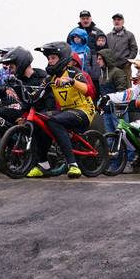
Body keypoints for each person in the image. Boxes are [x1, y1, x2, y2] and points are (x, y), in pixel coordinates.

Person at [32, 42, 96, 179]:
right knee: (38, 120)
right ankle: (43, 164)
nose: (50, 61)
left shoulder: (74, 73)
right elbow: (37, 95)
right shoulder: (50, 78)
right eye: (48, 58)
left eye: (53, 58)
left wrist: (71, 82)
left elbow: (89, 91)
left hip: (84, 110)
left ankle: (73, 165)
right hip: (66, 112)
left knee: (54, 121)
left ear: (62, 58)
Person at [95, 48, 134, 170]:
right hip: (106, 111)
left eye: (100, 59)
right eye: (97, 59)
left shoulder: (118, 72)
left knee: (124, 136)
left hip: (118, 110)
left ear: (107, 59)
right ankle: (114, 164)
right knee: (110, 138)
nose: (97, 61)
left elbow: (123, 91)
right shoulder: (101, 75)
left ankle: (129, 162)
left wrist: (112, 102)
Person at [106, 13, 138, 77]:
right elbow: (105, 50)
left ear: (123, 22)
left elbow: (134, 49)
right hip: (112, 67)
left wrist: (128, 62)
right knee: (112, 86)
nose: (116, 21)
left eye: (119, 20)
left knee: (126, 86)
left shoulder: (129, 35)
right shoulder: (108, 36)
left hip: (125, 68)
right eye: (114, 20)